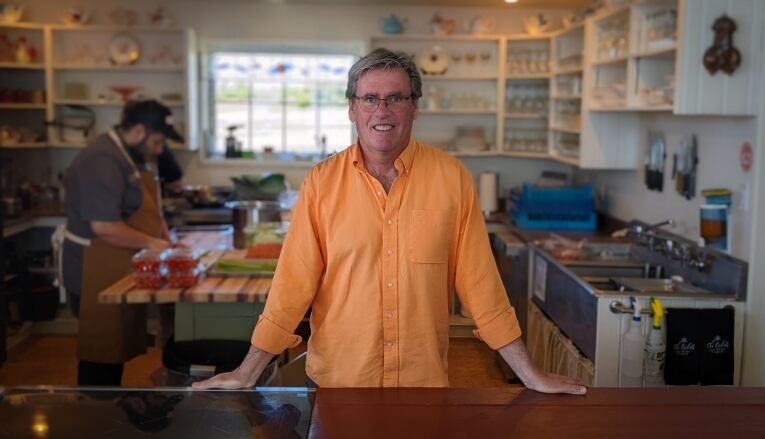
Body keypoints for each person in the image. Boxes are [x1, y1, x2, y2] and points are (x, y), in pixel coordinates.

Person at [194, 49, 586, 394]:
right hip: (338, 384)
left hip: (421, 386)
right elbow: (292, 285)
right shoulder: (321, 183)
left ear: (415, 105)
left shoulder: (452, 179)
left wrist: (529, 374)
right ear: (352, 108)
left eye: (395, 98)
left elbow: (482, 284)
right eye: (369, 99)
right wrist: (248, 371)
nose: (382, 111)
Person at [62, 99, 183, 386]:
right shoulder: (101, 159)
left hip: (116, 264)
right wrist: (155, 244)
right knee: (101, 353)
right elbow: (104, 226)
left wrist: (163, 235)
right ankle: (95, 419)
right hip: (94, 269)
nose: (159, 149)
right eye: (157, 141)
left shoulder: (129, 155)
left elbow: (148, 207)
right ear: (139, 131)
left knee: (113, 351)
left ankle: (108, 412)